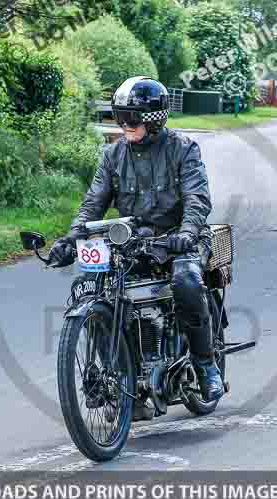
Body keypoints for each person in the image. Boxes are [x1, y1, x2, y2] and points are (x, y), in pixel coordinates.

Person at [48, 76, 224, 416]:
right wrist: (71, 239)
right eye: (120, 118)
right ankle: (124, 383)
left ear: (154, 119)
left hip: (179, 240)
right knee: (88, 287)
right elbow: (92, 205)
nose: (125, 125)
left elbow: (197, 200)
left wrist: (187, 232)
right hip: (134, 243)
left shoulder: (183, 149)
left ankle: (205, 366)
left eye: (132, 118)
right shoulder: (113, 156)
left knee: (187, 282)